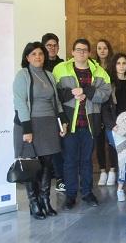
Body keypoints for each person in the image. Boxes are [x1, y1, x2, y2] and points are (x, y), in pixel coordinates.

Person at [53, 38, 111, 210]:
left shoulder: (99, 71)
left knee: (86, 160)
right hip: (69, 124)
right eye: (78, 50)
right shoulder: (60, 69)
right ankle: (70, 195)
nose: (81, 53)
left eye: (85, 50)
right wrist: (72, 93)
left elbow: (106, 94)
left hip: (90, 123)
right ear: (72, 52)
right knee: (69, 161)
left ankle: (87, 192)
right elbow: (54, 95)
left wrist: (86, 92)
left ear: (89, 53)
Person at [13, 42, 67, 219]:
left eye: (41, 54)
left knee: (47, 165)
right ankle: (34, 203)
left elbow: (57, 101)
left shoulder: (50, 76)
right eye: (34, 54)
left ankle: (45, 200)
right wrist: (27, 129)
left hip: (49, 124)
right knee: (32, 165)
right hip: (30, 124)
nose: (38, 57)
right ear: (27, 57)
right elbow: (20, 102)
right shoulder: (23, 75)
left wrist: (62, 122)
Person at [102, 53, 126, 201]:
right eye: (118, 63)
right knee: (122, 157)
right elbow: (104, 108)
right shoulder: (108, 83)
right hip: (114, 127)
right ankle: (120, 188)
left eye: (124, 63)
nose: (122, 66)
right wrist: (112, 126)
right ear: (114, 65)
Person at [41, 33, 66, 193]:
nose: (52, 48)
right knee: (44, 146)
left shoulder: (63, 65)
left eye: (55, 45)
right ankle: (43, 179)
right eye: (49, 45)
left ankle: (60, 178)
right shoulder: (38, 65)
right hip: (42, 111)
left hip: (59, 109)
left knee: (58, 145)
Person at [94, 38, 114, 187]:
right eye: (99, 48)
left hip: (111, 108)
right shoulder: (92, 67)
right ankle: (102, 170)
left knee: (112, 141)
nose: (102, 50)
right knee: (99, 141)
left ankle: (113, 170)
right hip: (95, 108)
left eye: (105, 48)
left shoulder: (114, 67)